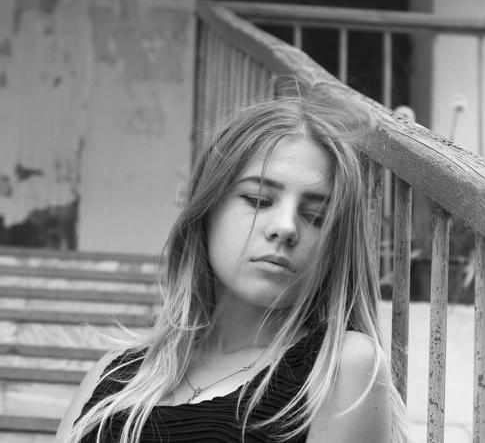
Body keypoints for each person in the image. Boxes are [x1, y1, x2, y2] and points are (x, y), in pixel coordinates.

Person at [57, 95, 410, 442]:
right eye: (258, 200)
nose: (286, 227)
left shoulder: (341, 368)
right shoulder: (113, 374)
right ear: (207, 209)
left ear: (335, 248)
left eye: (316, 217)